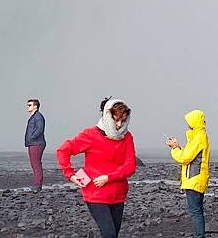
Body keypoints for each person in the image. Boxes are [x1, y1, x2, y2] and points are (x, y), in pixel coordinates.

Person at [57, 98, 138, 238]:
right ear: (107, 116)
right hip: (95, 194)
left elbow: (130, 166)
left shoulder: (127, 137)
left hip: (118, 194)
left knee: (113, 234)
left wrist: (108, 177)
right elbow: (63, 150)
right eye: (116, 120)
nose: (119, 125)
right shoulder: (90, 134)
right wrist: (70, 174)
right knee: (109, 234)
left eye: (123, 120)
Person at [168, 110, 210, 238]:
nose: (188, 125)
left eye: (189, 122)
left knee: (195, 211)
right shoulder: (199, 137)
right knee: (198, 210)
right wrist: (179, 148)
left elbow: (185, 158)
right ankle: (199, 234)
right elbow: (189, 156)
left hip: (194, 179)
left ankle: (199, 235)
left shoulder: (198, 138)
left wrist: (175, 148)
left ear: (194, 122)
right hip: (197, 179)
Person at [24, 99, 47, 191]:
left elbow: (40, 129)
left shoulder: (38, 116)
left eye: (30, 105)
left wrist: (31, 138)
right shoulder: (34, 117)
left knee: (36, 164)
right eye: (28, 105)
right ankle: (37, 184)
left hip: (36, 143)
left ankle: (38, 185)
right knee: (34, 164)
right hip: (33, 143)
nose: (28, 107)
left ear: (35, 106)